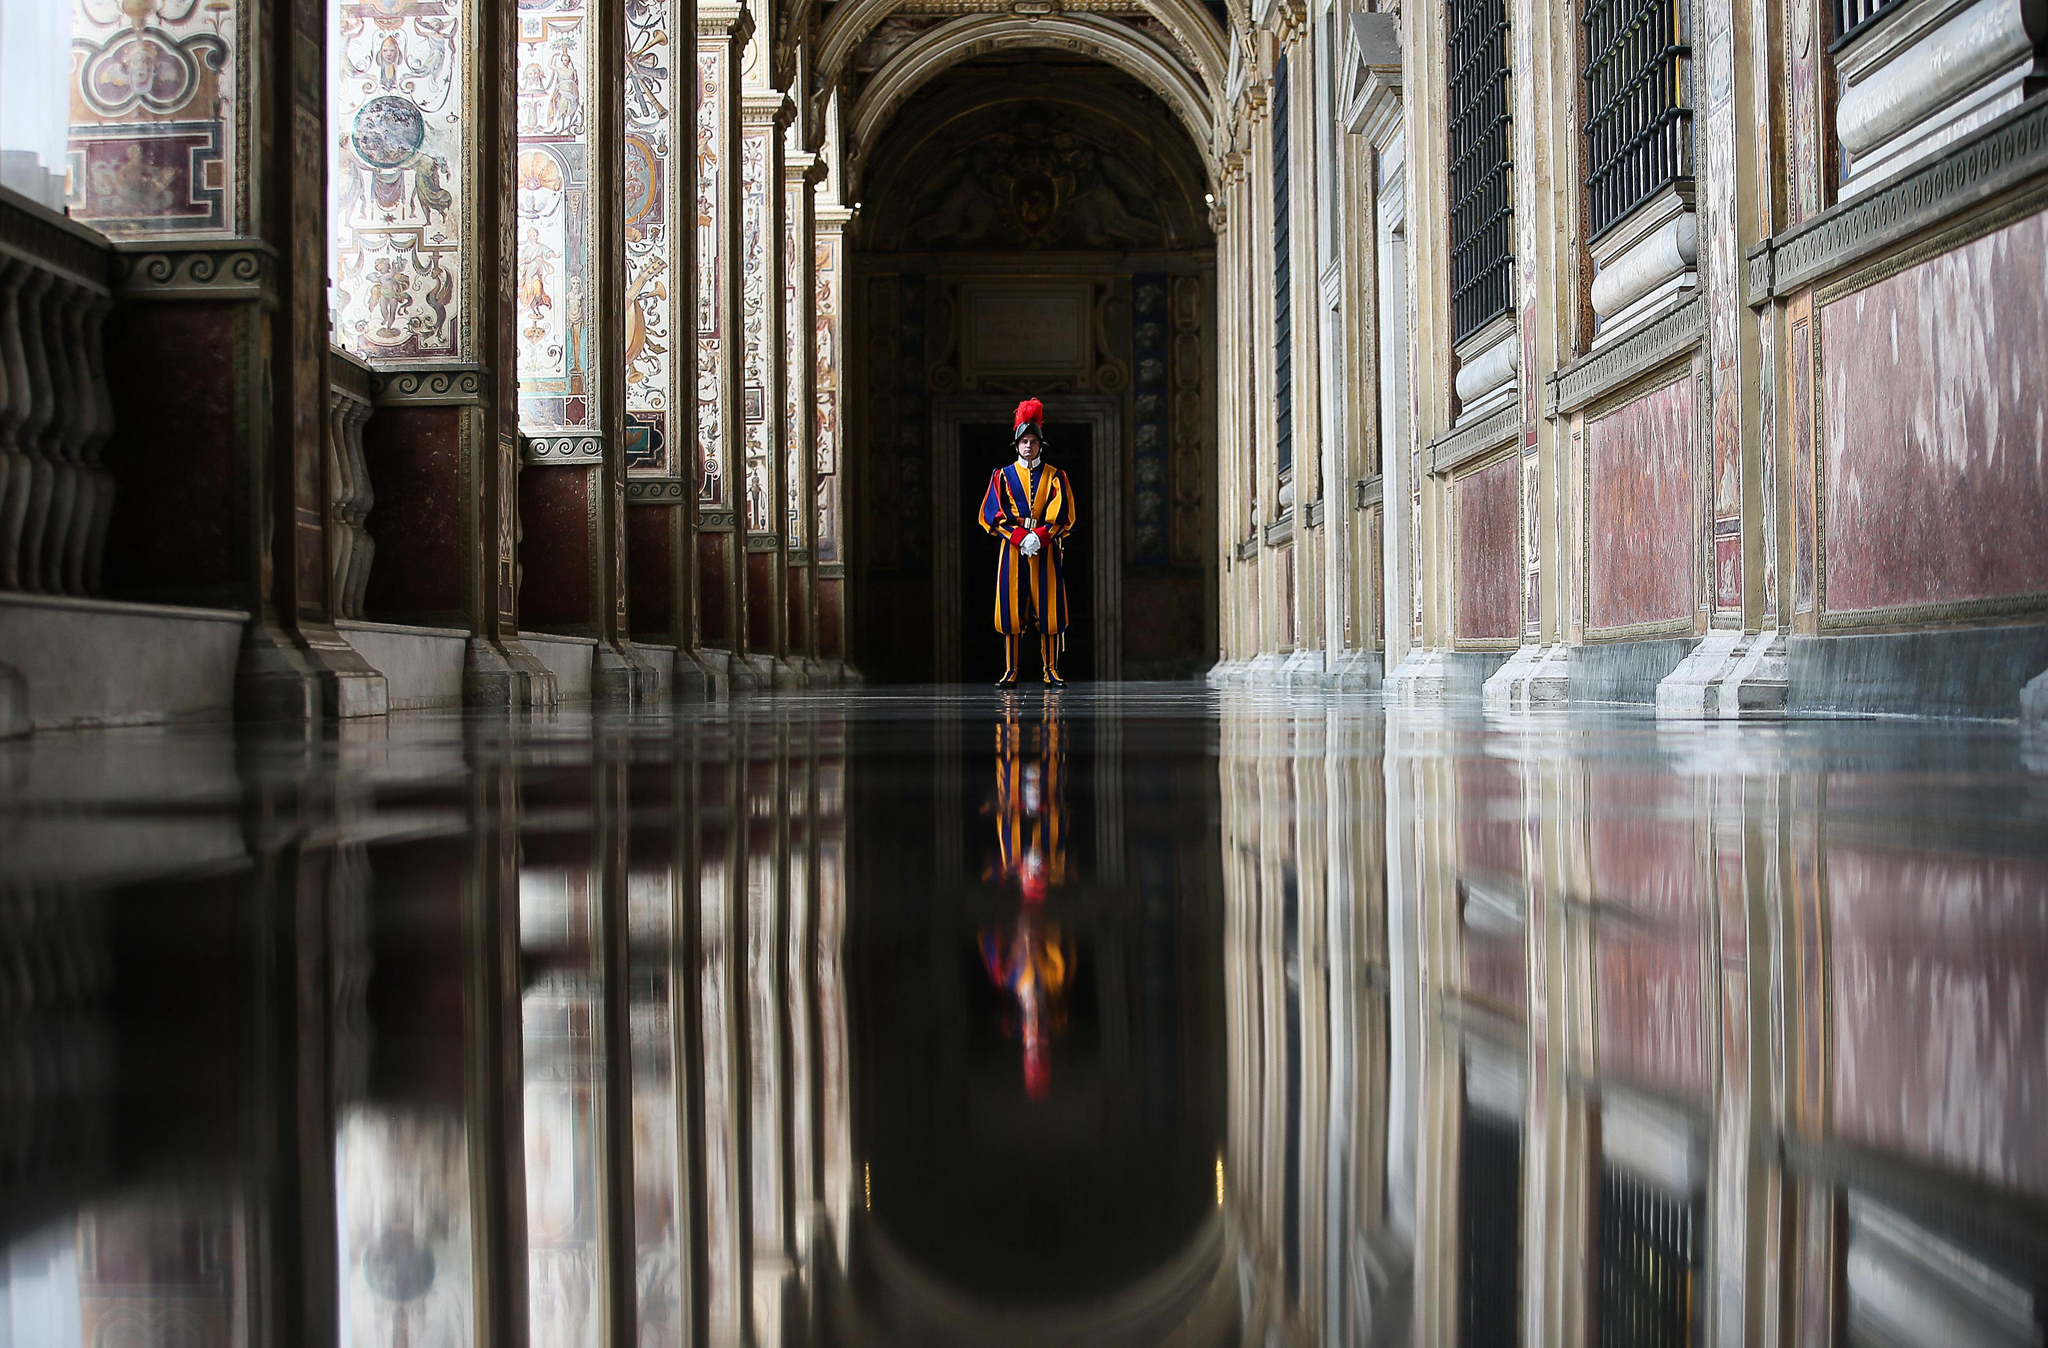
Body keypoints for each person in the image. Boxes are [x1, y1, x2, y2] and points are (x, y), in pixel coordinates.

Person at [977, 398, 1077, 687]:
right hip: (1013, 548)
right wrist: (1020, 537)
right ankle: (1010, 671)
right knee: (1011, 610)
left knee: (1050, 610)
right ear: (1017, 445)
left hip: (1045, 548)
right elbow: (991, 514)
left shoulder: (1056, 476)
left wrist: (1040, 537)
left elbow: (1064, 513)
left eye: (1033, 441)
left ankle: (1051, 670)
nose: (1028, 446)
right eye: (1024, 441)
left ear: (1040, 445)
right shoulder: (1001, 476)